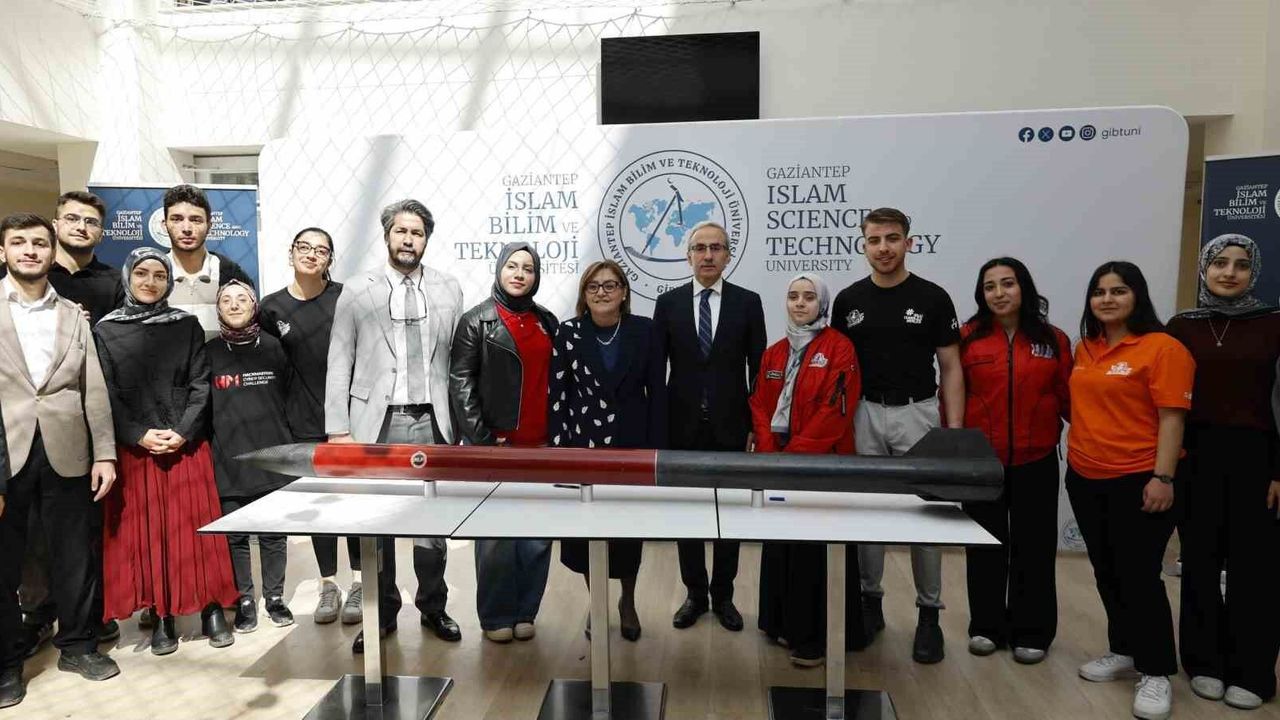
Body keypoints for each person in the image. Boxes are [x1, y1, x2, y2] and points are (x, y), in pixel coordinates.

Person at [326, 199, 463, 654]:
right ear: (387, 236)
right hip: (375, 424)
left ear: (426, 239)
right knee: (375, 525)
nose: (409, 240)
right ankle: (381, 613)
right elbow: (339, 358)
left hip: (432, 421)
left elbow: (456, 360)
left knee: (432, 526)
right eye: (401, 231)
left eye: (417, 233)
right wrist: (338, 429)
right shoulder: (357, 289)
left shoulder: (448, 288)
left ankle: (433, 607)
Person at [830, 207, 963, 664]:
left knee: (927, 514)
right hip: (865, 413)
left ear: (909, 242)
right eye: (874, 240)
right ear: (863, 245)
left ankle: (929, 615)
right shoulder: (848, 300)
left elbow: (951, 367)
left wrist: (954, 434)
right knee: (868, 513)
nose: (883, 248)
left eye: (891, 238)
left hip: (917, 413)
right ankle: (871, 604)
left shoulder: (933, 297)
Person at [96, 247, 240, 656]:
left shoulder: (186, 325)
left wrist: (182, 431)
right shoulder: (106, 330)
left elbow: (200, 383)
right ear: (128, 278)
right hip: (136, 449)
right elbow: (104, 392)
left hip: (184, 445)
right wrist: (138, 434)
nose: (150, 282)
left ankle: (212, 608)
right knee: (152, 535)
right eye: (141, 274)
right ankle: (162, 614)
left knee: (198, 530)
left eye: (159, 275)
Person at [0, 213, 121, 694]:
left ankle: (78, 646)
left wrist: (105, 453)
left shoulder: (73, 314)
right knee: (5, 562)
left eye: (38, 243)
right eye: (19, 243)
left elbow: (94, 387)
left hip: (68, 451)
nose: (30, 251)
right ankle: (7, 663)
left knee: (75, 555)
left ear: (52, 253)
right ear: (3, 251)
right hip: (5, 454)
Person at [1067, 261, 1194, 720]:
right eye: (1099, 292)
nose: (1107, 299)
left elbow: (1172, 418)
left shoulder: (1164, 348)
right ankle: (1124, 649)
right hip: (1085, 476)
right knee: (1106, 570)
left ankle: (1156, 670)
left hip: (1140, 479)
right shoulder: (1086, 347)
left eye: (1118, 291)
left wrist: (1163, 478)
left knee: (1139, 576)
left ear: (1137, 295)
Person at [1167, 235, 1280, 711]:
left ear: (1254, 271)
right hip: (1195, 458)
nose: (1229, 272)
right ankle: (1204, 662)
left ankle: (1252, 671)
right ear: (1204, 268)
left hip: (1259, 460)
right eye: (1219, 262)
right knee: (1199, 562)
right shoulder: (1182, 326)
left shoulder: (1274, 323)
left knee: (1257, 569)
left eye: (1240, 264)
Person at [652, 221, 765, 633]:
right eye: (700, 248)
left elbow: (758, 369)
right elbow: (656, 369)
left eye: (716, 248)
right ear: (688, 256)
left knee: (728, 515)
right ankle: (695, 595)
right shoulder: (668, 304)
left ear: (728, 255)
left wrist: (755, 425)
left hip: (731, 426)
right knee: (687, 515)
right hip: (681, 426)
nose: (708, 255)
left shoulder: (748, 302)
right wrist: (658, 426)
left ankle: (725, 595)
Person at [957, 258, 1071, 665]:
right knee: (984, 546)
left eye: (1008, 284)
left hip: (1036, 458)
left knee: (1034, 548)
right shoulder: (967, 337)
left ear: (1024, 287)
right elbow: (953, 393)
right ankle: (986, 626)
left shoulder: (1053, 339)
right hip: (982, 462)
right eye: (990, 286)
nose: (999, 293)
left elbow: (1068, 396)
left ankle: (1032, 631)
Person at [750, 273, 865, 667]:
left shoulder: (840, 348)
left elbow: (835, 411)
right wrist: (770, 451)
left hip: (821, 467)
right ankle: (780, 623)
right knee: (783, 543)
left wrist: (795, 456)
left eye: (809, 297)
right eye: (793, 296)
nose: (800, 303)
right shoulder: (775, 352)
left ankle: (814, 636)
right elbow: (759, 405)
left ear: (823, 304)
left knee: (815, 552)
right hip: (779, 464)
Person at [550, 260, 666, 641]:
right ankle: (596, 601)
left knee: (628, 531)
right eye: (593, 286)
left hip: (632, 447)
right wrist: (559, 452)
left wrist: (655, 452)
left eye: (610, 285)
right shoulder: (568, 332)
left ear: (624, 292)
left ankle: (627, 600)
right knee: (587, 532)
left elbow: (657, 393)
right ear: (584, 294)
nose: (602, 292)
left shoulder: (644, 330)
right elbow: (558, 395)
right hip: (582, 449)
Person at [449, 242, 556, 643]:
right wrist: (482, 440)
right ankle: (496, 616)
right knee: (495, 537)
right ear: (499, 270)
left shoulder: (547, 320)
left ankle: (526, 610)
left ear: (536, 276)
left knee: (536, 536)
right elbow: (461, 382)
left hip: (541, 446)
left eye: (528, 268)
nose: (519, 274)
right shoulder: (476, 321)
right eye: (512, 266)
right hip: (496, 446)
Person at [260, 228, 361, 626]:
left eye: (321, 250)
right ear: (291, 253)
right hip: (300, 421)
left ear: (330, 259)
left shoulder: (344, 298)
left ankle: (359, 583)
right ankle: (328, 585)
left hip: (347, 421)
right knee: (321, 509)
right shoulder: (271, 308)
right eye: (304, 247)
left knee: (353, 505)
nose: (312, 254)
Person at [207, 280, 295, 634]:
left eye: (242, 299)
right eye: (226, 300)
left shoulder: (274, 347)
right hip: (228, 457)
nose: (234, 305)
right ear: (218, 308)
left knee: (274, 534)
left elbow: (288, 393)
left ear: (254, 305)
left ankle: (274, 598)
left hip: (272, 454)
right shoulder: (208, 352)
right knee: (236, 535)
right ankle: (245, 600)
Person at [162, 184, 255, 340]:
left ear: (209, 225)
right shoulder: (153, 275)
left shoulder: (232, 274)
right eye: (177, 219)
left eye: (196, 220)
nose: (186, 228)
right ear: (164, 225)